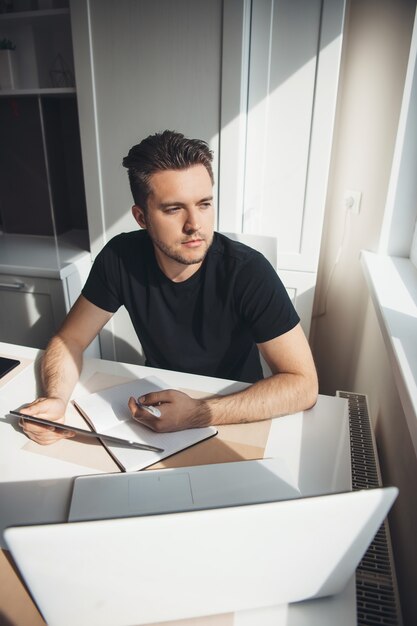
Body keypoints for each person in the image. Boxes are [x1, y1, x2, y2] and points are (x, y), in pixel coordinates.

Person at [20, 130, 318, 445]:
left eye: (204, 204)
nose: (195, 224)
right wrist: (55, 398)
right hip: (160, 405)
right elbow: (70, 339)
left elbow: (303, 385)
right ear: (141, 217)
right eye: (174, 209)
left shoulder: (248, 271)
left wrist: (199, 413)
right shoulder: (120, 258)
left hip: (235, 407)